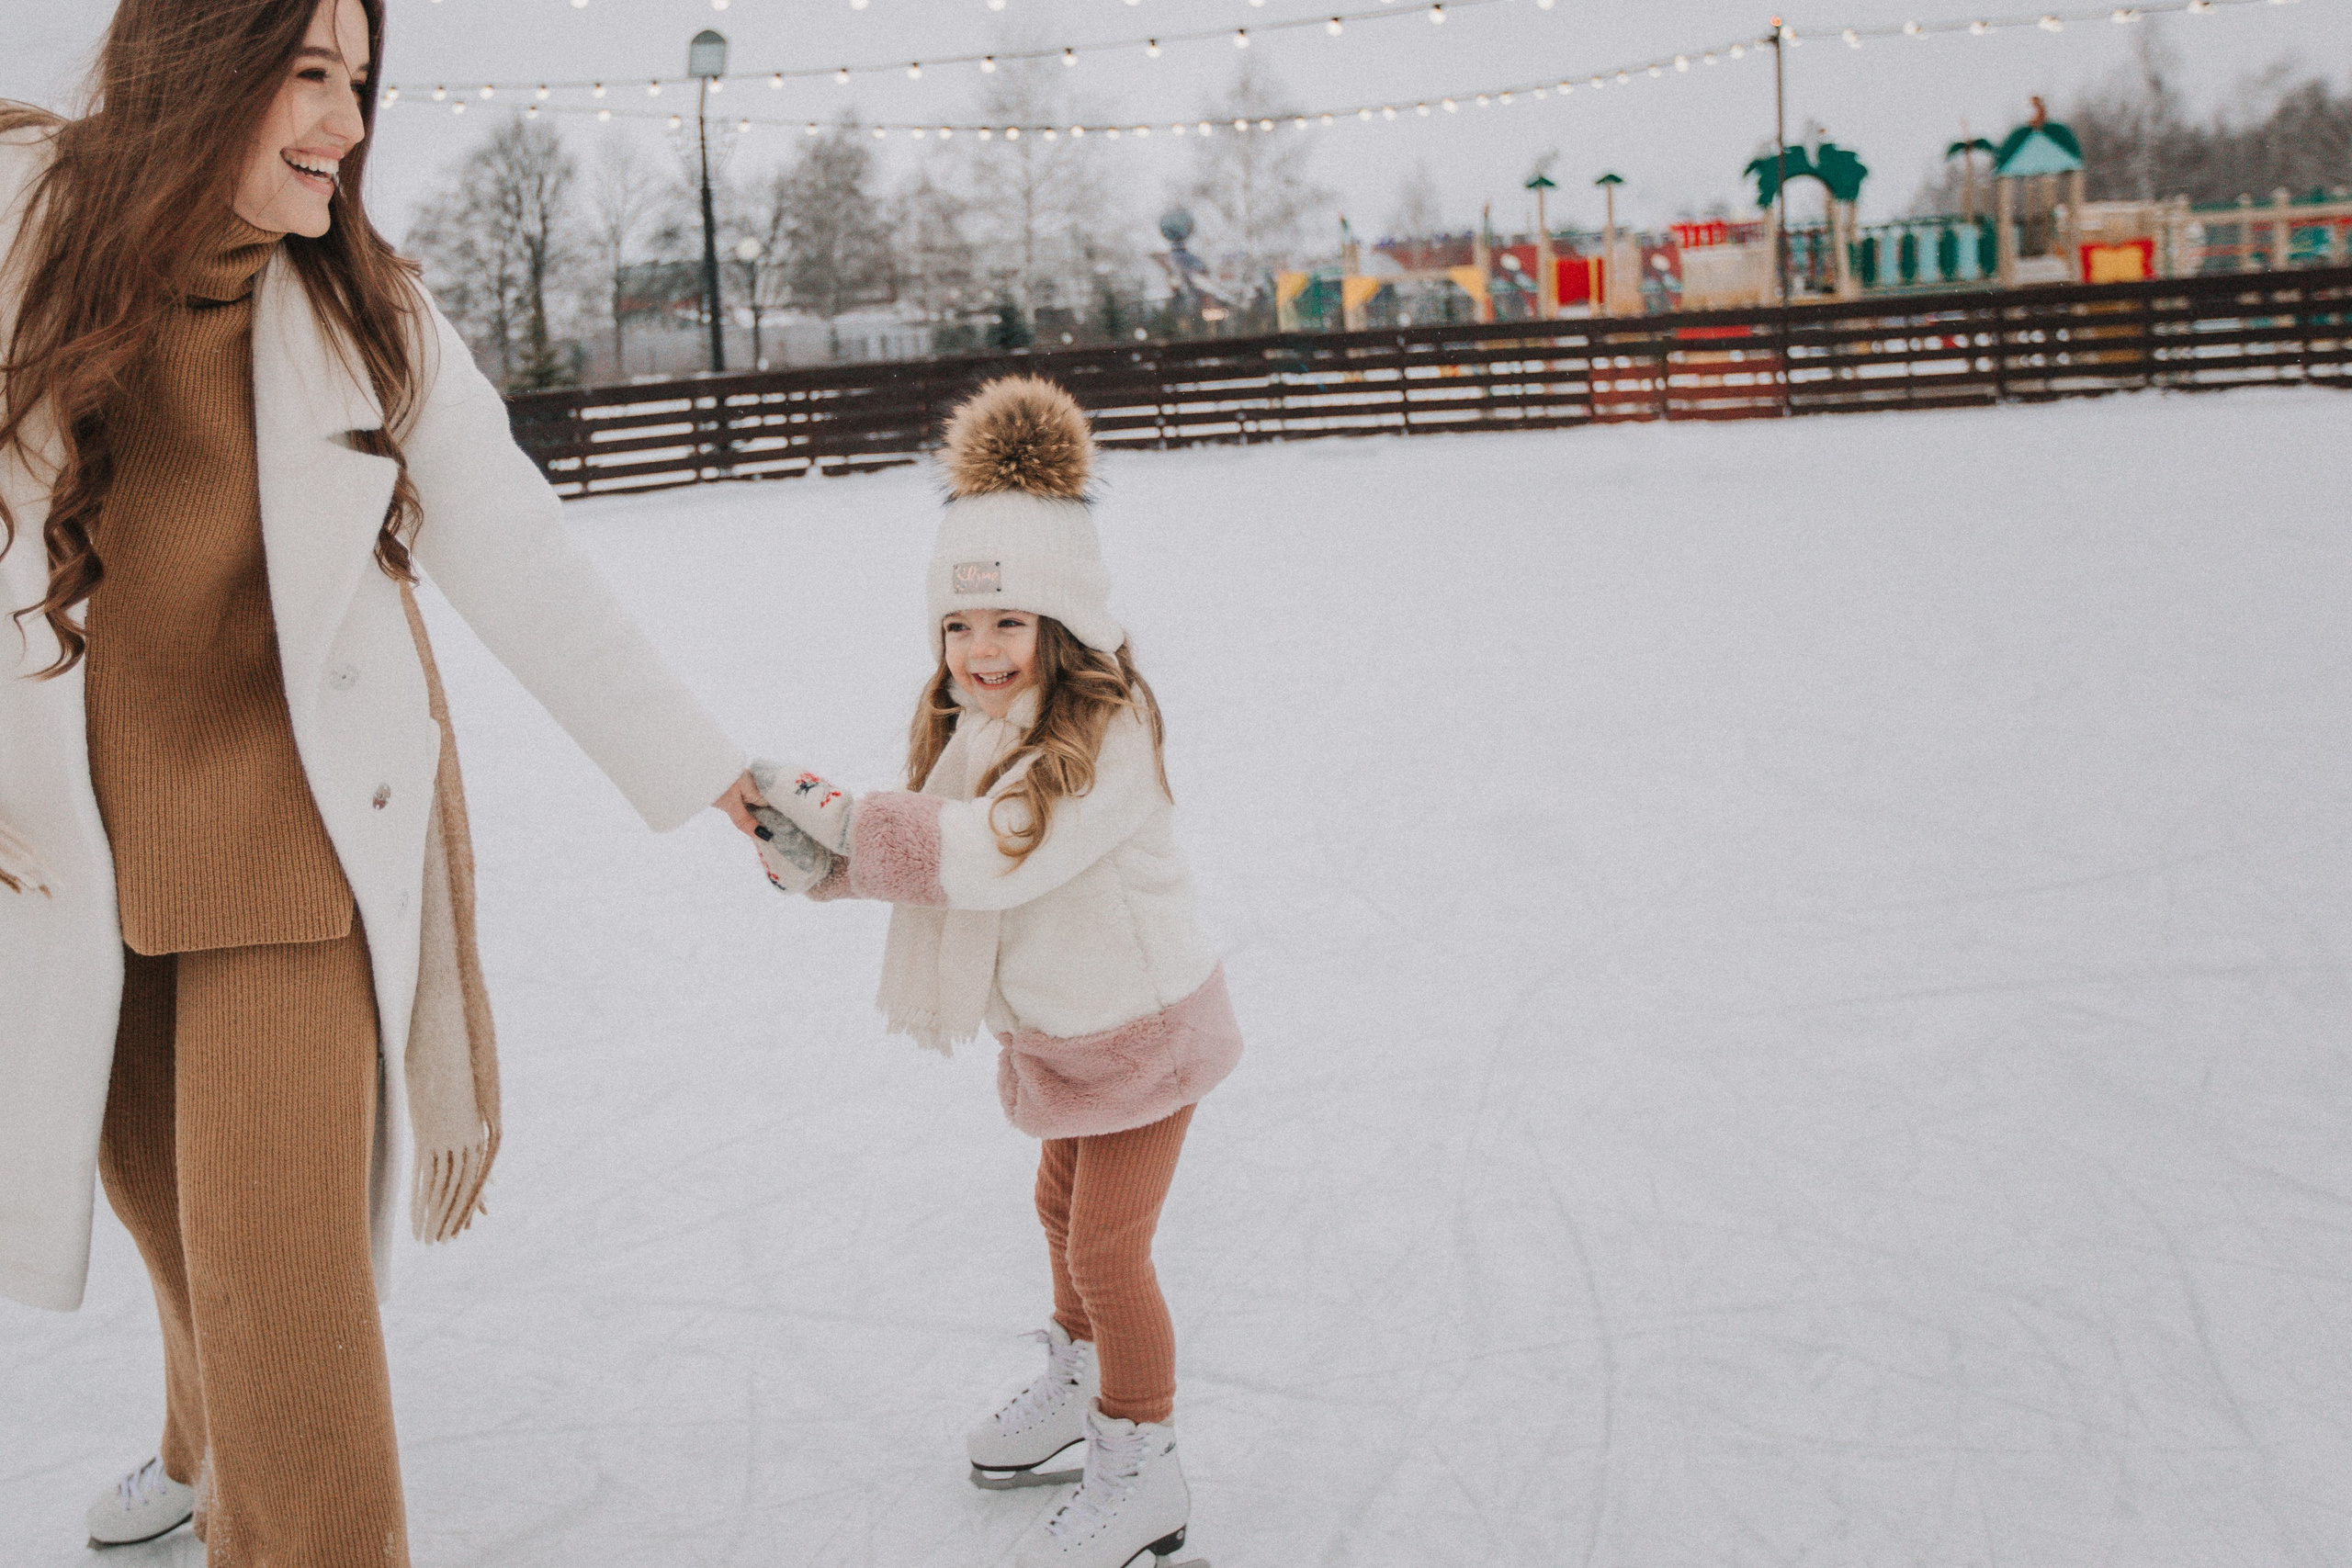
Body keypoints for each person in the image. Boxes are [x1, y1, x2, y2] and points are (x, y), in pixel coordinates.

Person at [0, 2, 765, 1561]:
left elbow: (525, 560)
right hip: (73, 862)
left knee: (285, 1307)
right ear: (200, 69)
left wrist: (717, 773)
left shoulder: (365, 317)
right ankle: (200, 1441)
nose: (348, 124)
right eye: (309, 75)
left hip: (291, 871)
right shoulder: (27, 238)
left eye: (358, 83)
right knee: (181, 1239)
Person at [751, 377, 1243, 1568]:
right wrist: (821, 865)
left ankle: (1146, 1458)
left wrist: (847, 821)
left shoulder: (1105, 734)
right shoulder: (977, 729)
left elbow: (989, 856)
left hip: (1142, 1033)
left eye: (1008, 624)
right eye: (958, 629)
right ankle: (1085, 1384)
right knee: (1058, 1214)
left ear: (1063, 626)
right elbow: (934, 852)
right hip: (1064, 1036)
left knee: (1108, 1252)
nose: (979, 651)